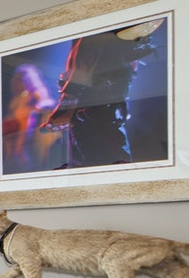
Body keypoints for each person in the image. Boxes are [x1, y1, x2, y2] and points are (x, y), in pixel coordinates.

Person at [48, 18, 164, 167]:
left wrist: (65, 106)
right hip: (99, 111)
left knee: (102, 163)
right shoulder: (104, 38)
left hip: (94, 112)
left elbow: (83, 64)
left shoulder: (96, 34)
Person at [1, 63, 59, 174]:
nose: (14, 83)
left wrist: (32, 111)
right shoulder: (18, 98)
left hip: (27, 131)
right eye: (14, 80)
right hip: (13, 134)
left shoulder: (34, 96)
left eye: (17, 80)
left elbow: (44, 105)